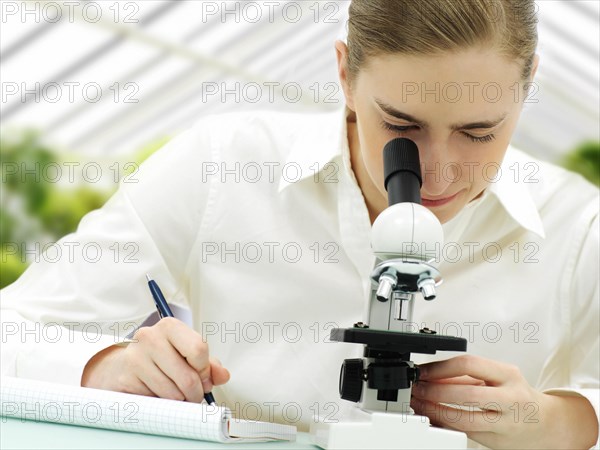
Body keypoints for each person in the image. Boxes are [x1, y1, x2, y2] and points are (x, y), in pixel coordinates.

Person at [1, 1, 598, 448]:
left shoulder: (578, 226)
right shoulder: (223, 166)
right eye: (401, 125)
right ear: (344, 75)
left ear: (526, 88)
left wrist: (556, 423)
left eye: (479, 132)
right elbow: (14, 329)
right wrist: (104, 366)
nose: (437, 172)